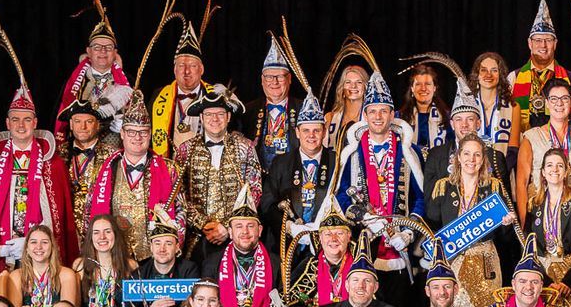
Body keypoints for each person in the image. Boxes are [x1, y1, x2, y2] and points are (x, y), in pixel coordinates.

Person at [330, 60, 427, 279]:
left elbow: (421, 197)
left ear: (393, 115)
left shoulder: (410, 152)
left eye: (383, 111)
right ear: (365, 116)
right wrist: (365, 216)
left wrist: (408, 231)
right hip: (363, 246)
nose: (378, 117)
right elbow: (341, 195)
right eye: (372, 111)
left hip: (402, 247)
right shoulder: (352, 153)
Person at [0, 85, 76, 264]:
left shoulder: (53, 164)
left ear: (35, 123)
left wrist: (32, 241)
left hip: (40, 251)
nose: (21, 125)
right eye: (15, 120)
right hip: (1, 251)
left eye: (27, 120)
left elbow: (59, 215)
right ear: (8, 123)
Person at [178, 84, 265, 274]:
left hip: (236, 237)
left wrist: (227, 226)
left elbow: (254, 190)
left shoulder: (245, 147)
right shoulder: (185, 150)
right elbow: (179, 195)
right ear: (201, 118)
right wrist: (202, 224)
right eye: (209, 114)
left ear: (228, 117)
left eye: (220, 114)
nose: (214, 119)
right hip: (196, 239)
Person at [87, 91, 181, 264]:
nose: (137, 137)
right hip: (114, 257)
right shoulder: (105, 168)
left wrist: (168, 255)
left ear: (150, 134)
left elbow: (180, 212)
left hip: (155, 259)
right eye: (131, 132)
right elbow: (90, 212)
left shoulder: (169, 169)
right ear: (122, 134)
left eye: (143, 132)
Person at [426, 136, 510, 307]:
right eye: (466, 154)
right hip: (453, 262)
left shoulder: (493, 187)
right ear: (458, 156)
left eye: (477, 155)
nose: (471, 159)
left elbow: (505, 237)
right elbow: (432, 225)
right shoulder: (443, 187)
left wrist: (506, 224)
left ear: (483, 159)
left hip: (486, 262)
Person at [267, 90, 338, 260]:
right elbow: (267, 203)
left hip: (328, 245)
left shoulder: (337, 161)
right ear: (297, 132)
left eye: (316, 130)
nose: (311, 136)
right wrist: (289, 227)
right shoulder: (281, 162)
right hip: (287, 245)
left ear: (324, 132)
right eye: (306, 130)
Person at [57, 0, 132, 138]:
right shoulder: (73, 82)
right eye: (97, 47)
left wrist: (125, 124)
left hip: (115, 145)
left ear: (115, 53)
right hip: (81, 144)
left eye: (108, 47)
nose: (103, 51)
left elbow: (139, 118)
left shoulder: (127, 81)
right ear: (89, 52)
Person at [522, 149, 571, 297]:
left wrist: (569, 281)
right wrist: (546, 281)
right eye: (549, 165)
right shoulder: (533, 204)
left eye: (559, 165)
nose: (554, 169)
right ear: (543, 172)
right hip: (543, 276)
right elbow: (527, 246)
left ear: (566, 171)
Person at [516, 76, 571, 194]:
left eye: (564, 98)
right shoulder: (531, 137)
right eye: (554, 99)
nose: (559, 103)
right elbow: (522, 183)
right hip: (540, 203)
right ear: (546, 103)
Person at [0, 224, 80, 307]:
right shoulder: (16, 275)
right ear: (27, 248)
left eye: (44, 242)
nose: (39, 247)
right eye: (33, 242)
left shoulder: (66, 275)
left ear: (52, 247)